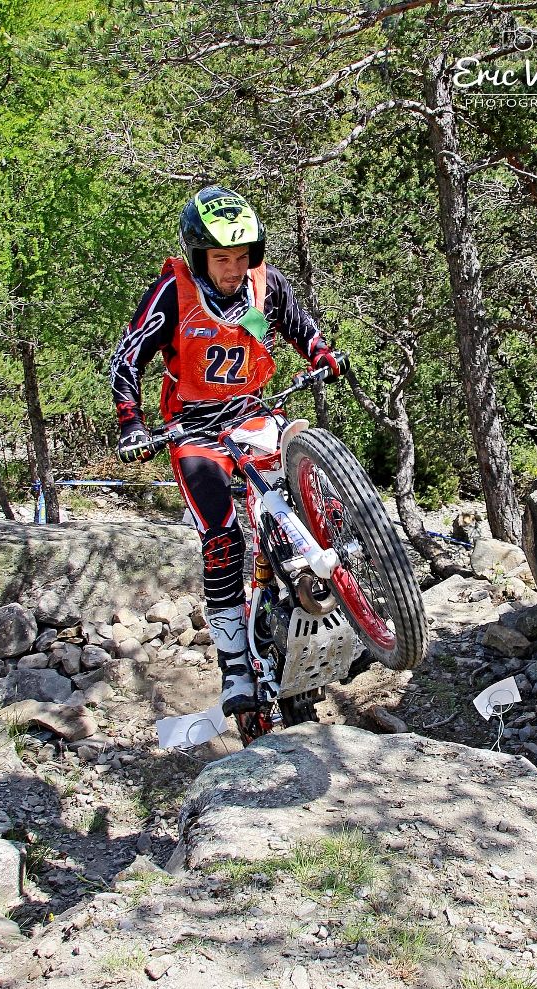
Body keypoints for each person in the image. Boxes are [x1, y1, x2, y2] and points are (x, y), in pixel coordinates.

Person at [109, 185, 345, 716]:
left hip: (252, 413)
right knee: (221, 536)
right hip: (192, 429)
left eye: (242, 256)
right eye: (222, 259)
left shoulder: (264, 283)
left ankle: (353, 593)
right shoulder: (172, 292)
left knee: (310, 483)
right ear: (199, 257)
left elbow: (298, 325)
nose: (235, 269)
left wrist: (322, 354)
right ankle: (234, 663)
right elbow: (126, 359)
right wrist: (131, 424)